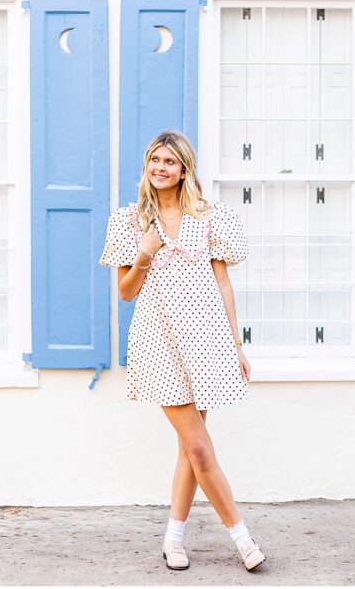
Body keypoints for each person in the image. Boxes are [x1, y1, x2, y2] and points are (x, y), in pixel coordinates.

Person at [98, 129, 265, 572]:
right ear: (147, 166)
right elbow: (126, 293)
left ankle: (173, 538)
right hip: (159, 345)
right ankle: (242, 538)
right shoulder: (129, 221)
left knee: (190, 451)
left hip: (207, 343)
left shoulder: (211, 217)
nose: (160, 168)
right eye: (155, 160)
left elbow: (224, 284)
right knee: (200, 448)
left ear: (184, 168)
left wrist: (237, 345)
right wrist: (144, 255)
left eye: (170, 161)